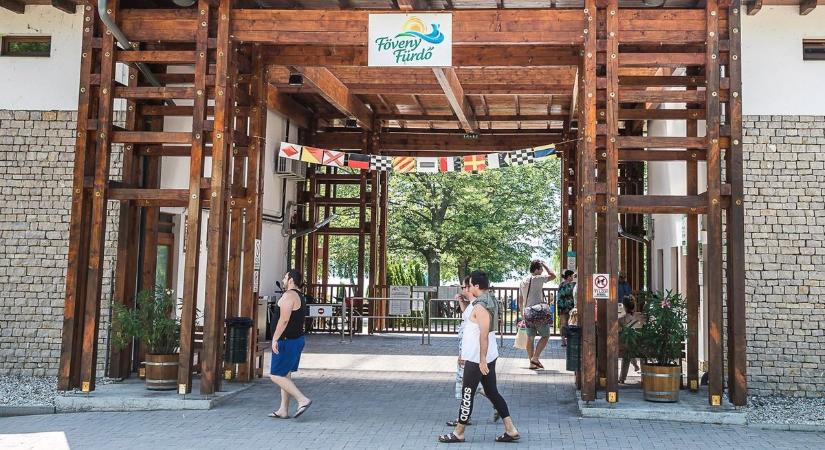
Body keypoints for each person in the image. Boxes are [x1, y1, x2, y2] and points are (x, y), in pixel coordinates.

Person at [438, 271, 520, 444]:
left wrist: (481, 360)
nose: (467, 288)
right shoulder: (487, 300)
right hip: (484, 356)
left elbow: (483, 334)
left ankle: (459, 432)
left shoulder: (481, 306)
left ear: (476, 286)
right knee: (492, 392)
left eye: (469, 285)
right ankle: (510, 429)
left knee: (467, 393)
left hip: (478, 359)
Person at [446, 277, 498, 427]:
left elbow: (481, 334)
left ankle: (462, 425)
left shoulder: (479, 305)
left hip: (474, 354)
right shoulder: (476, 304)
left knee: (468, 388)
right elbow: (467, 317)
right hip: (474, 353)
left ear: (472, 287)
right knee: (479, 387)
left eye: (464, 286)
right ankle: (502, 414)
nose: (462, 289)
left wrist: (474, 356)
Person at [268, 269, 312, 419]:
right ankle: (283, 409)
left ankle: (302, 399)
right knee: (285, 374)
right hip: (296, 339)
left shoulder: (289, 295)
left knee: (275, 375)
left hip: (286, 341)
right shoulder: (300, 296)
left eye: (285, 277)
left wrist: (275, 338)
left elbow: (284, 320)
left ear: (291, 280)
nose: (283, 279)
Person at [517, 259, 557, 369]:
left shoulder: (523, 281)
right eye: (541, 269)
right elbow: (553, 275)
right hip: (538, 312)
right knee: (545, 336)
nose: (542, 271)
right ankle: (535, 358)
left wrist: (522, 314)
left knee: (530, 338)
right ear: (536, 269)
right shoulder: (538, 279)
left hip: (527, 312)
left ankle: (531, 363)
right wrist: (544, 263)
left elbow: (520, 300)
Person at [618, 295, 643, 384]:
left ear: (624, 307)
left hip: (625, 348)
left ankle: (622, 378)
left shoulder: (621, 320)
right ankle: (637, 367)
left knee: (627, 351)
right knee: (632, 348)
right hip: (640, 347)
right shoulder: (640, 317)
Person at [556, 270, 576, 347]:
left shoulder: (565, 284)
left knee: (566, 323)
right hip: (564, 306)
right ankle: (563, 341)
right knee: (564, 323)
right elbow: (565, 295)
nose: (573, 277)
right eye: (572, 276)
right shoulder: (566, 285)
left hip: (566, 306)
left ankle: (565, 340)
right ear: (568, 276)